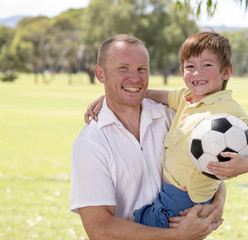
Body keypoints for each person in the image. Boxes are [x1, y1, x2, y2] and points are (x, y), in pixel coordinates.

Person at [85, 31, 248, 228]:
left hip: (185, 199)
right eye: (189, 66)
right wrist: (107, 98)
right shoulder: (186, 98)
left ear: (226, 72)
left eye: (207, 65)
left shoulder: (226, 106)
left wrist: (244, 164)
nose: (197, 73)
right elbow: (144, 93)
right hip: (170, 192)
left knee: (135, 228)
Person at [71, 34, 225, 240]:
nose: (135, 78)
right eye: (123, 68)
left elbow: (209, 168)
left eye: (142, 69)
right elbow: (100, 230)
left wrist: (217, 206)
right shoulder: (90, 143)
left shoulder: (173, 116)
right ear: (101, 74)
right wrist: (177, 235)